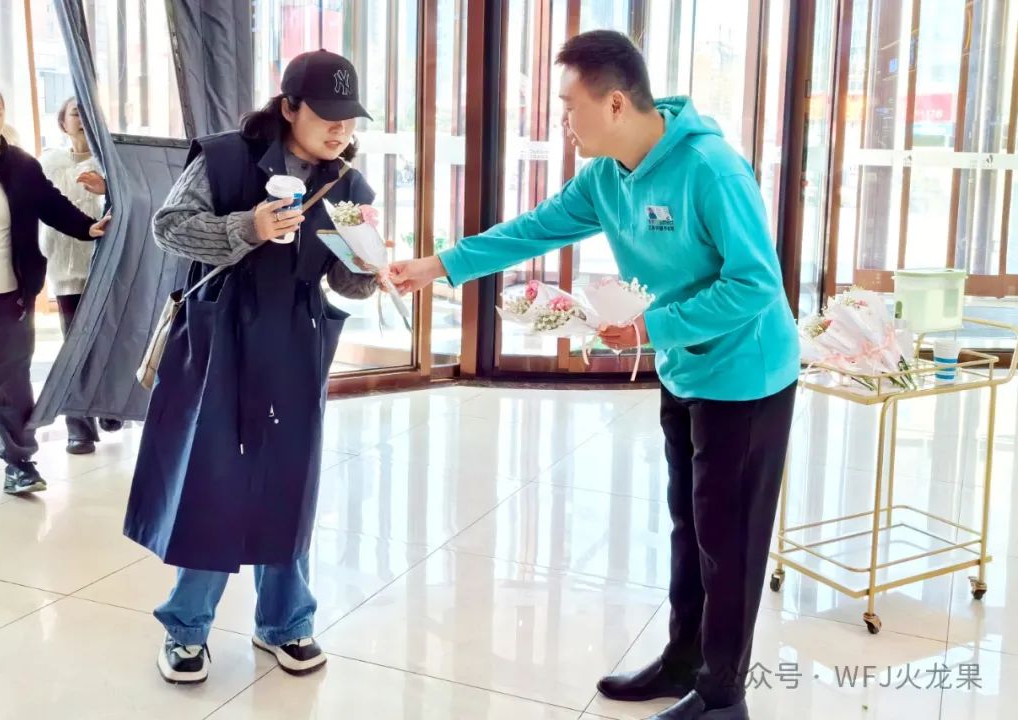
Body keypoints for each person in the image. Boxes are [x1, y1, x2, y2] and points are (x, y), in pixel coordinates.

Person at [389, 31, 799, 720]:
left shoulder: (712, 169)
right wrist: (436, 267)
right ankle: (683, 661)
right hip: (685, 366)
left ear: (614, 104)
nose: (561, 121)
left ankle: (723, 698)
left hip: (747, 377)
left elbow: (756, 284)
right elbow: (534, 229)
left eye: (567, 105)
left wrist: (647, 328)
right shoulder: (608, 176)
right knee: (690, 525)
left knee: (729, 542)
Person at [122, 50, 387, 685]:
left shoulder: (349, 184)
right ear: (289, 106)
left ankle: (285, 622)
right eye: (327, 116)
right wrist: (248, 226)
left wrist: (368, 264)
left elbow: (348, 284)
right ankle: (187, 627)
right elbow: (168, 228)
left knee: (289, 479)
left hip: (296, 337)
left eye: (349, 119)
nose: (340, 131)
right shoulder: (225, 157)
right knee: (210, 475)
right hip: (219, 334)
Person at [0, 83, 110, 492]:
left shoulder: (21, 164)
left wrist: (88, 227)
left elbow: (51, 204)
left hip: (12, 292)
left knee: (13, 379)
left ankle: (20, 460)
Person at [38, 97, 123, 455]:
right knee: (73, 347)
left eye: (89, 113)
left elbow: (135, 205)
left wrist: (109, 189)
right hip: (65, 268)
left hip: (106, 267)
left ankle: (108, 406)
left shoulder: (113, 164)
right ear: (63, 122)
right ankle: (79, 428)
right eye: (76, 113)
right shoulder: (48, 162)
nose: (83, 120)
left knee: (108, 342)